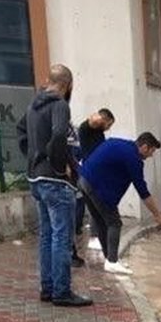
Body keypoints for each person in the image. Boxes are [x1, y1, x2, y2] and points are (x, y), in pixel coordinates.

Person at [16, 63, 93, 307]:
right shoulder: (59, 105)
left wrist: (34, 158)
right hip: (55, 181)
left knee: (47, 236)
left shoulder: (33, 105)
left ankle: (48, 288)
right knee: (62, 237)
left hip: (36, 180)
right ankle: (62, 291)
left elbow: (20, 130)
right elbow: (60, 134)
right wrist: (60, 165)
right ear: (67, 84)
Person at [79, 131, 161, 275]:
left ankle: (110, 259)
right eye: (151, 151)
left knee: (102, 222)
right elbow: (143, 191)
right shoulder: (134, 159)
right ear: (144, 147)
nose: (151, 156)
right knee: (115, 223)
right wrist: (158, 215)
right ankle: (112, 262)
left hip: (84, 180)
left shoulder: (119, 143)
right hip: (97, 186)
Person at [73, 108, 115, 257]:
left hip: (98, 175)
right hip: (91, 175)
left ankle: (101, 243)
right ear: (104, 120)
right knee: (96, 210)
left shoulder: (99, 133)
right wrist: (102, 119)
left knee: (97, 210)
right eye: (109, 124)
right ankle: (95, 239)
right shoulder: (87, 128)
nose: (109, 128)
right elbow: (93, 120)